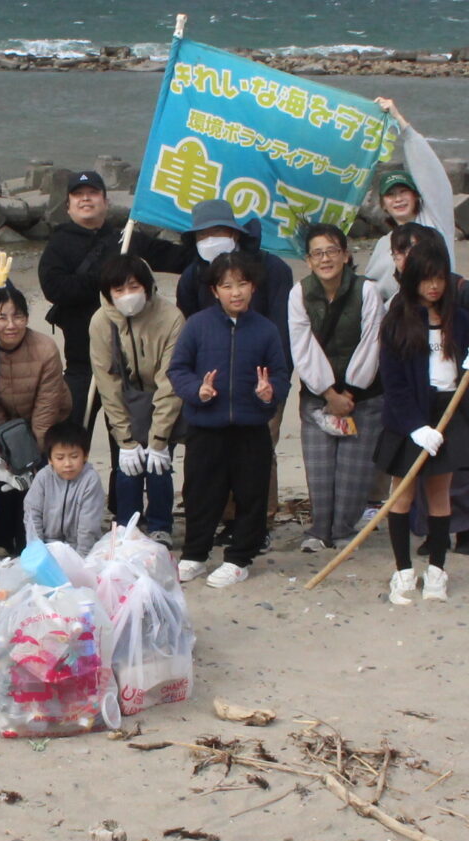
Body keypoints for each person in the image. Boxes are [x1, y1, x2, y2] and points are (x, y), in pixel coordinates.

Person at [375, 228, 469, 604]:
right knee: (401, 496)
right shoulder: (397, 322)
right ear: (413, 280)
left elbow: (467, 371)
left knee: (440, 495)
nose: (434, 286)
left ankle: (437, 571)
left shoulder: (461, 318)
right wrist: (415, 427)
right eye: (426, 279)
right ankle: (403, 572)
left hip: (447, 413)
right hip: (412, 417)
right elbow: (394, 383)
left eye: (439, 278)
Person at [166, 252, 290, 589]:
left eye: (242, 284)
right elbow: (178, 369)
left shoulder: (265, 329)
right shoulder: (198, 325)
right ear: (214, 290)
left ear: (252, 288)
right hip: (206, 426)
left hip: (251, 427)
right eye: (227, 285)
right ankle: (195, 553)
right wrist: (197, 391)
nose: (236, 292)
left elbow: (280, 374)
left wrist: (269, 392)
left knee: (251, 493)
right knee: (201, 493)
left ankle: (240, 558)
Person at [288, 222, 386, 554]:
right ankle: (318, 530)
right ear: (308, 259)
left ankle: (344, 530)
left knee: (353, 470)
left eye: (332, 251)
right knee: (320, 466)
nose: (325, 259)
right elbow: (303, 347)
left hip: (364, 396)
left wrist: (351, 393)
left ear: (345, 255)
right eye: (318, 253)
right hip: (318, 398)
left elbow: (372, 342)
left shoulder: (367, 291)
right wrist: (329, 393)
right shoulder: (299, 293)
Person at [87, 255, 183, 533]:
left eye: (133, 287)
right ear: (108, 294)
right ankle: (126, 528)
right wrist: (125, 439)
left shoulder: (171, 317)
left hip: (161, 398)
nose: (127, 295)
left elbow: (171, 380)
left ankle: (161, 526)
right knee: (127, 466)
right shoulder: (100, 322)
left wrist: (160, 437)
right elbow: (107, 383)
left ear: (147, 286)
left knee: (158, 464)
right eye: (119, 290)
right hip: (126, 400)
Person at [0, 284, 70, 550]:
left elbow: (47, 406)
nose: (11, 325)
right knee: (0, 472)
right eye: (2, 317)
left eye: (18, 316)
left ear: (27, 317)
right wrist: (6, 448)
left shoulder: (45, 348)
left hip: (47, 420)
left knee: (34, 472)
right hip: (6, 424)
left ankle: (31, 540)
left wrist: (30, 454)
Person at [34, 171, 118, 427]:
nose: (85, 199)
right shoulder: (59, 243)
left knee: (128, 448)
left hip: (123, 365)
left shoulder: (123, 240)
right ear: (68, 206)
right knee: (72, 442)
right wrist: (105, 280)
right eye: (78, 195)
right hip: (81, 361)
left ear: (105, 201)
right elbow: (55, 288)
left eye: (92, 193)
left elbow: (172, 259)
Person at [367, 95, 461, 278]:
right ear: (383, 204)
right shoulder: (383, 244)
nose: (398, 199)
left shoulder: (434, 222)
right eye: (391, 195)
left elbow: (430, 172)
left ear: (417, 195)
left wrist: (401, 123)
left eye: (404, 192)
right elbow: (373, 288)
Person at [173, 198, 294, 323]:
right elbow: (188, 327)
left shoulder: (273, 268)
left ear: (235, 233)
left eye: (217, 231)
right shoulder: (192, 275)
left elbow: (281, 326)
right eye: (202, 234)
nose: (210, 240)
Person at [23, 422, 105, 555]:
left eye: (74, 457)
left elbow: (88, 525)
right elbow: (32, 514)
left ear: (85, 456)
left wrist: (82, 559)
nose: (67, 464)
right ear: (50, 459)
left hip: (79, 547)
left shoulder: (90, 480)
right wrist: (37, 550)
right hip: (47, 545)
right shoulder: (43, 477)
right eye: (60, 458)